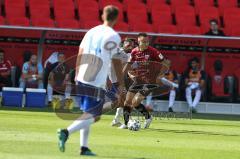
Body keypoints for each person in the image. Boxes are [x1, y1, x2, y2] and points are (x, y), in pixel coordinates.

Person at [57, 5, 123, 156]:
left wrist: (77, 72)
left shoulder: (91, 31)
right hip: (96, 79)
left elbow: (80, 52)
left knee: (87, 113)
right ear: (116, 18)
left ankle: (84, 148)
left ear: (103, 16)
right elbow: (116, 62)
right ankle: (66, 132)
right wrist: (120, 83)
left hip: (82, 75)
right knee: (95, 115)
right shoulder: (113, 36)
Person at [119, 33, 171, 129]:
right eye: (144, 42)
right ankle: (126, 123)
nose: (146, 44)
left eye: (147, 42)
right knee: (127, 102)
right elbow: (129, 64)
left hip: (150, 81)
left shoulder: (153, 51)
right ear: (139, 42)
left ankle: (148, 117)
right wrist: (122, 75)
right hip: (138, 80)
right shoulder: (134, 52)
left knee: (135, 102)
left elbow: (166, 62)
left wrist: (160, 75)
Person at [110, 37, 136, 126]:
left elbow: (128, 69)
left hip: (121, 80)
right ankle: (129, 120)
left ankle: (116, 120)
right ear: (123, 44)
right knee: (125, 99)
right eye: (128, 44)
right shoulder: (117, 51)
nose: (130, 47)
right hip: (114, 79)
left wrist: (132, 76)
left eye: (132, 45)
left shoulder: (130, 56)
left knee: (122, 100)